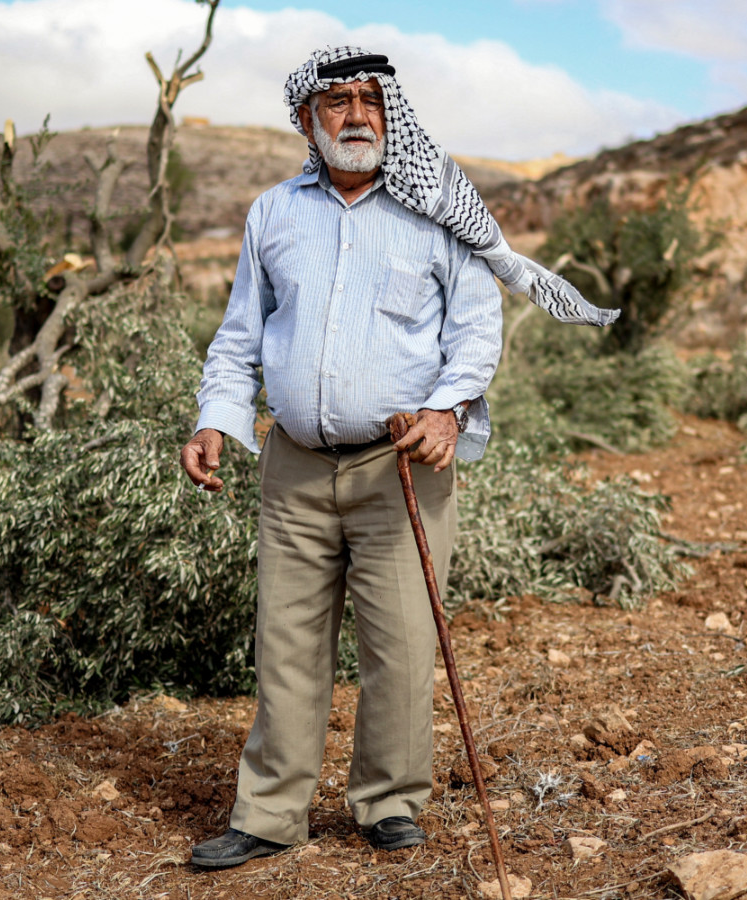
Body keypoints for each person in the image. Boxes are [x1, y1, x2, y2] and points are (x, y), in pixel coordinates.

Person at [179, 46, 617, 869]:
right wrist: (216, 420)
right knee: (285, 645)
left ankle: (388, 803)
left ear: (391, 113)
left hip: (401, 467)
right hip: (295, 464)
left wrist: (449, 410)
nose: (356, 115)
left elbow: (476, 329)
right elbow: (239, 337)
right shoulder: (272, 213)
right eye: (337, 101)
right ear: (308, 120)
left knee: (404, 643)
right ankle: (270, 814)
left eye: (371, 100)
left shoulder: (436, 207)